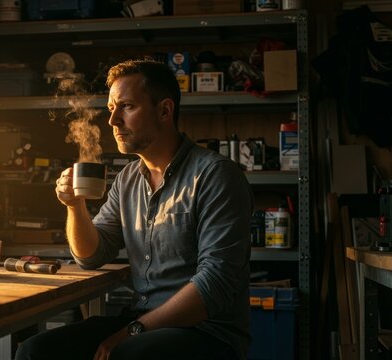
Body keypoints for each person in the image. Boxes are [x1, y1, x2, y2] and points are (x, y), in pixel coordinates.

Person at [15, 59, 253, 360]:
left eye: (126, 106)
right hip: (141, 319)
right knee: (34, 351)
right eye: (112, 108)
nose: (113, 121)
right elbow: (91, 255)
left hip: (206, 332)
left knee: (126, 354)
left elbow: (214, 283)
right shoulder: (128, 179)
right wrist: (74, 206)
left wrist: (133, 330)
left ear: (164, 110)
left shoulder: (215, 175)